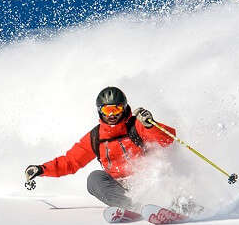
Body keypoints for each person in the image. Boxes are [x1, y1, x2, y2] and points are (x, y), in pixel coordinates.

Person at [24, 86, 176, 210]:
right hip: (120, 187)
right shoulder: (96, 137)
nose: (111, 115)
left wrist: (150, 125)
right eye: (107, 110)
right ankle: (131, 207)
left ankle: (178, 202)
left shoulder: (137, 125)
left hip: (146, 179)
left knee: (164, 167)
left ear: (123, 108)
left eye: (116, 109)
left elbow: (168, 139)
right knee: (94, 178)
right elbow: (70, 161)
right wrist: (42, 169)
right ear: (99, 110)